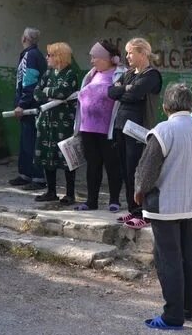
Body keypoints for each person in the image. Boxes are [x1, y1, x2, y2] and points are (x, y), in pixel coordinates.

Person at [134, 83, 192, 330]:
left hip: (166, 204)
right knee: (189, 254)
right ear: (189, 104)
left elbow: (147, 171)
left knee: (168, 258)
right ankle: (189, 308)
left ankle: (172, 315)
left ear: (166, 106)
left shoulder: (163, 131)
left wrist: (139, 190)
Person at [107, 38, 162, 228]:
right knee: (125, 170)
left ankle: (144, 213)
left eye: (131, 52)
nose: (127, 56)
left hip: (139, 129)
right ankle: (132, 210)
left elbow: (135, 93)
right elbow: (110, 92)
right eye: (127, 52)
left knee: (138, 170)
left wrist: (124, 90)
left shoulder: (152, 75)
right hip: (122, 127)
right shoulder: (130, 73)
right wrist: (125, 89)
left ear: (143, 53)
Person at [73, 40, 126, 211]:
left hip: (108, 130)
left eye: (94, 57)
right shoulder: (91, 74)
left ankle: (114, 200)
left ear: (106, 58)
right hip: (88, 128)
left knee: (112, 165)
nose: (92, 61)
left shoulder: (120, 74)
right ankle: (91, 201)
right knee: (92, 166)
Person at [33, 42, 80, 203]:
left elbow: (63, 92)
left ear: (59, 57)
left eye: (50, 55)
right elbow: (37, 93)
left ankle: (70, 194)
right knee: (48, 155)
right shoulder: (48, 73)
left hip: (64, 122)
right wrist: (49, 94)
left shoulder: (71, 74)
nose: (47, 58)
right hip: (46, 121)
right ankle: (51, 191)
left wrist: (48, 92)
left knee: (67, 157)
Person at [11, 27, 48, 190]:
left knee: (32, 142)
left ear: (24, 38)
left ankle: (38, 177)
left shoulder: (31, 55)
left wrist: (22, 104)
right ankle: (25, 174)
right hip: (29, 107)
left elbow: (30, 82)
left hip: (32, 107)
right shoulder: (31, 54)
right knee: (25, 142)